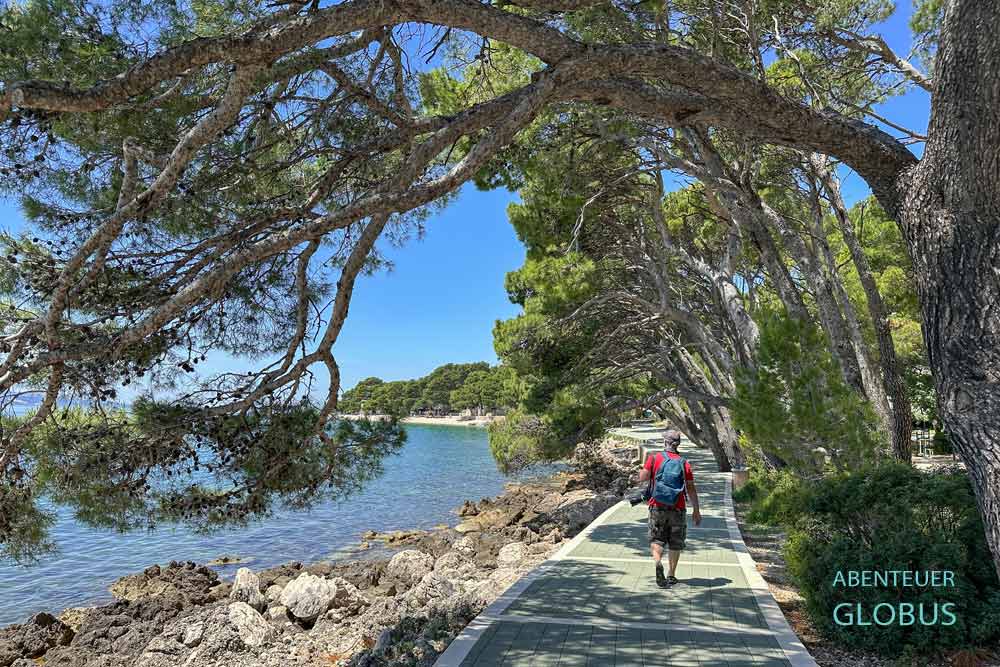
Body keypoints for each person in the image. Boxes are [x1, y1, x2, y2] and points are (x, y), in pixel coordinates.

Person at [638, 429, 701, 587]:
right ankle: (671, 575)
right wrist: (696, 510)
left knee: (656, 539)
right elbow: (691, 488)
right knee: (675, 542)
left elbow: (642, 478)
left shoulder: (654, 458)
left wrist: (646, 466)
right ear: (678, 444)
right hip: (677, 507)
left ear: (665, 442)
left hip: (657, 506)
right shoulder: (684, 462)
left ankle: (658, 562)